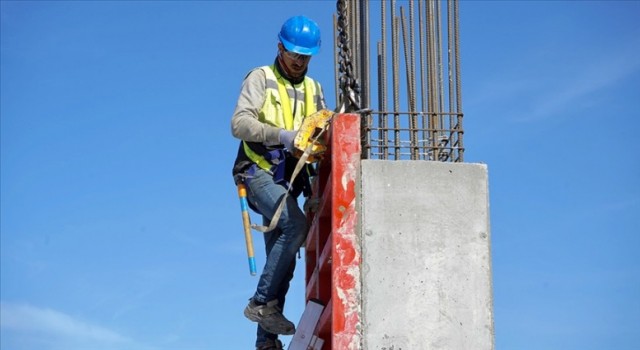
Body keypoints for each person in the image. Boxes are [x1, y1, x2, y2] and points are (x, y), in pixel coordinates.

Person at [230, 15, 326, 350]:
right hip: (258, 172)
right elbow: (239, 124)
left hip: (291, 182)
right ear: (280, 47)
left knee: (282, 260)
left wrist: (315, 189)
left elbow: (318, 143)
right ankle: (259, 304)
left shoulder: (314, 90)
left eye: (306, 56)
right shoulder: (262, 78)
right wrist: (280, 136)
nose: (299, 61)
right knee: (293, 225)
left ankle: (266, 343)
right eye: (294, 54)